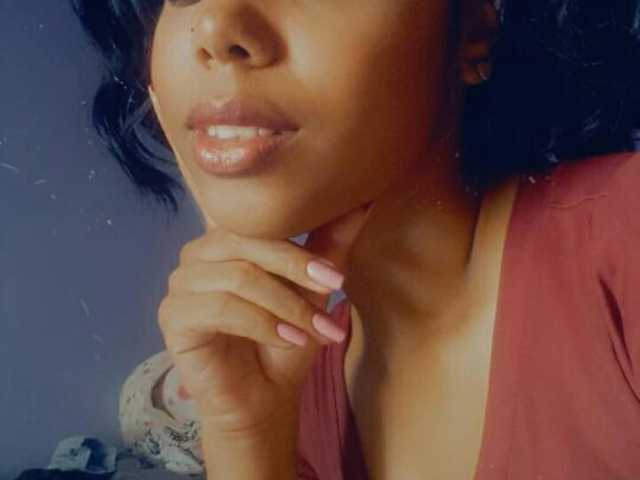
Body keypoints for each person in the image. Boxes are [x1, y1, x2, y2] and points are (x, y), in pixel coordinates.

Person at [71, 0, 640, 478]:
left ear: (473, 28)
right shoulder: (288, 387)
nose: (215, 28)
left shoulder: (624, 239)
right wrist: (245, 435)